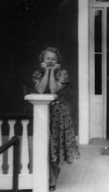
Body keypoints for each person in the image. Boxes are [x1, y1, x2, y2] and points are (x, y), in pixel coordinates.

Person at [32, 47, 80, 191]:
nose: (51, 61)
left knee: (54, 147)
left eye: (53, 59)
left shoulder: (62, 73)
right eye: (48, 58)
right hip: (43, 114)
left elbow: (53, 90)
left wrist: (51, 71)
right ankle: (52, 178)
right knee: (45, 146)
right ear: (42, 60)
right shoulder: (37, 73)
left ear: (58, 61)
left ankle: (52, 178)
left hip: (58, 114)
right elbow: (40, 90)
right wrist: (46, 71)